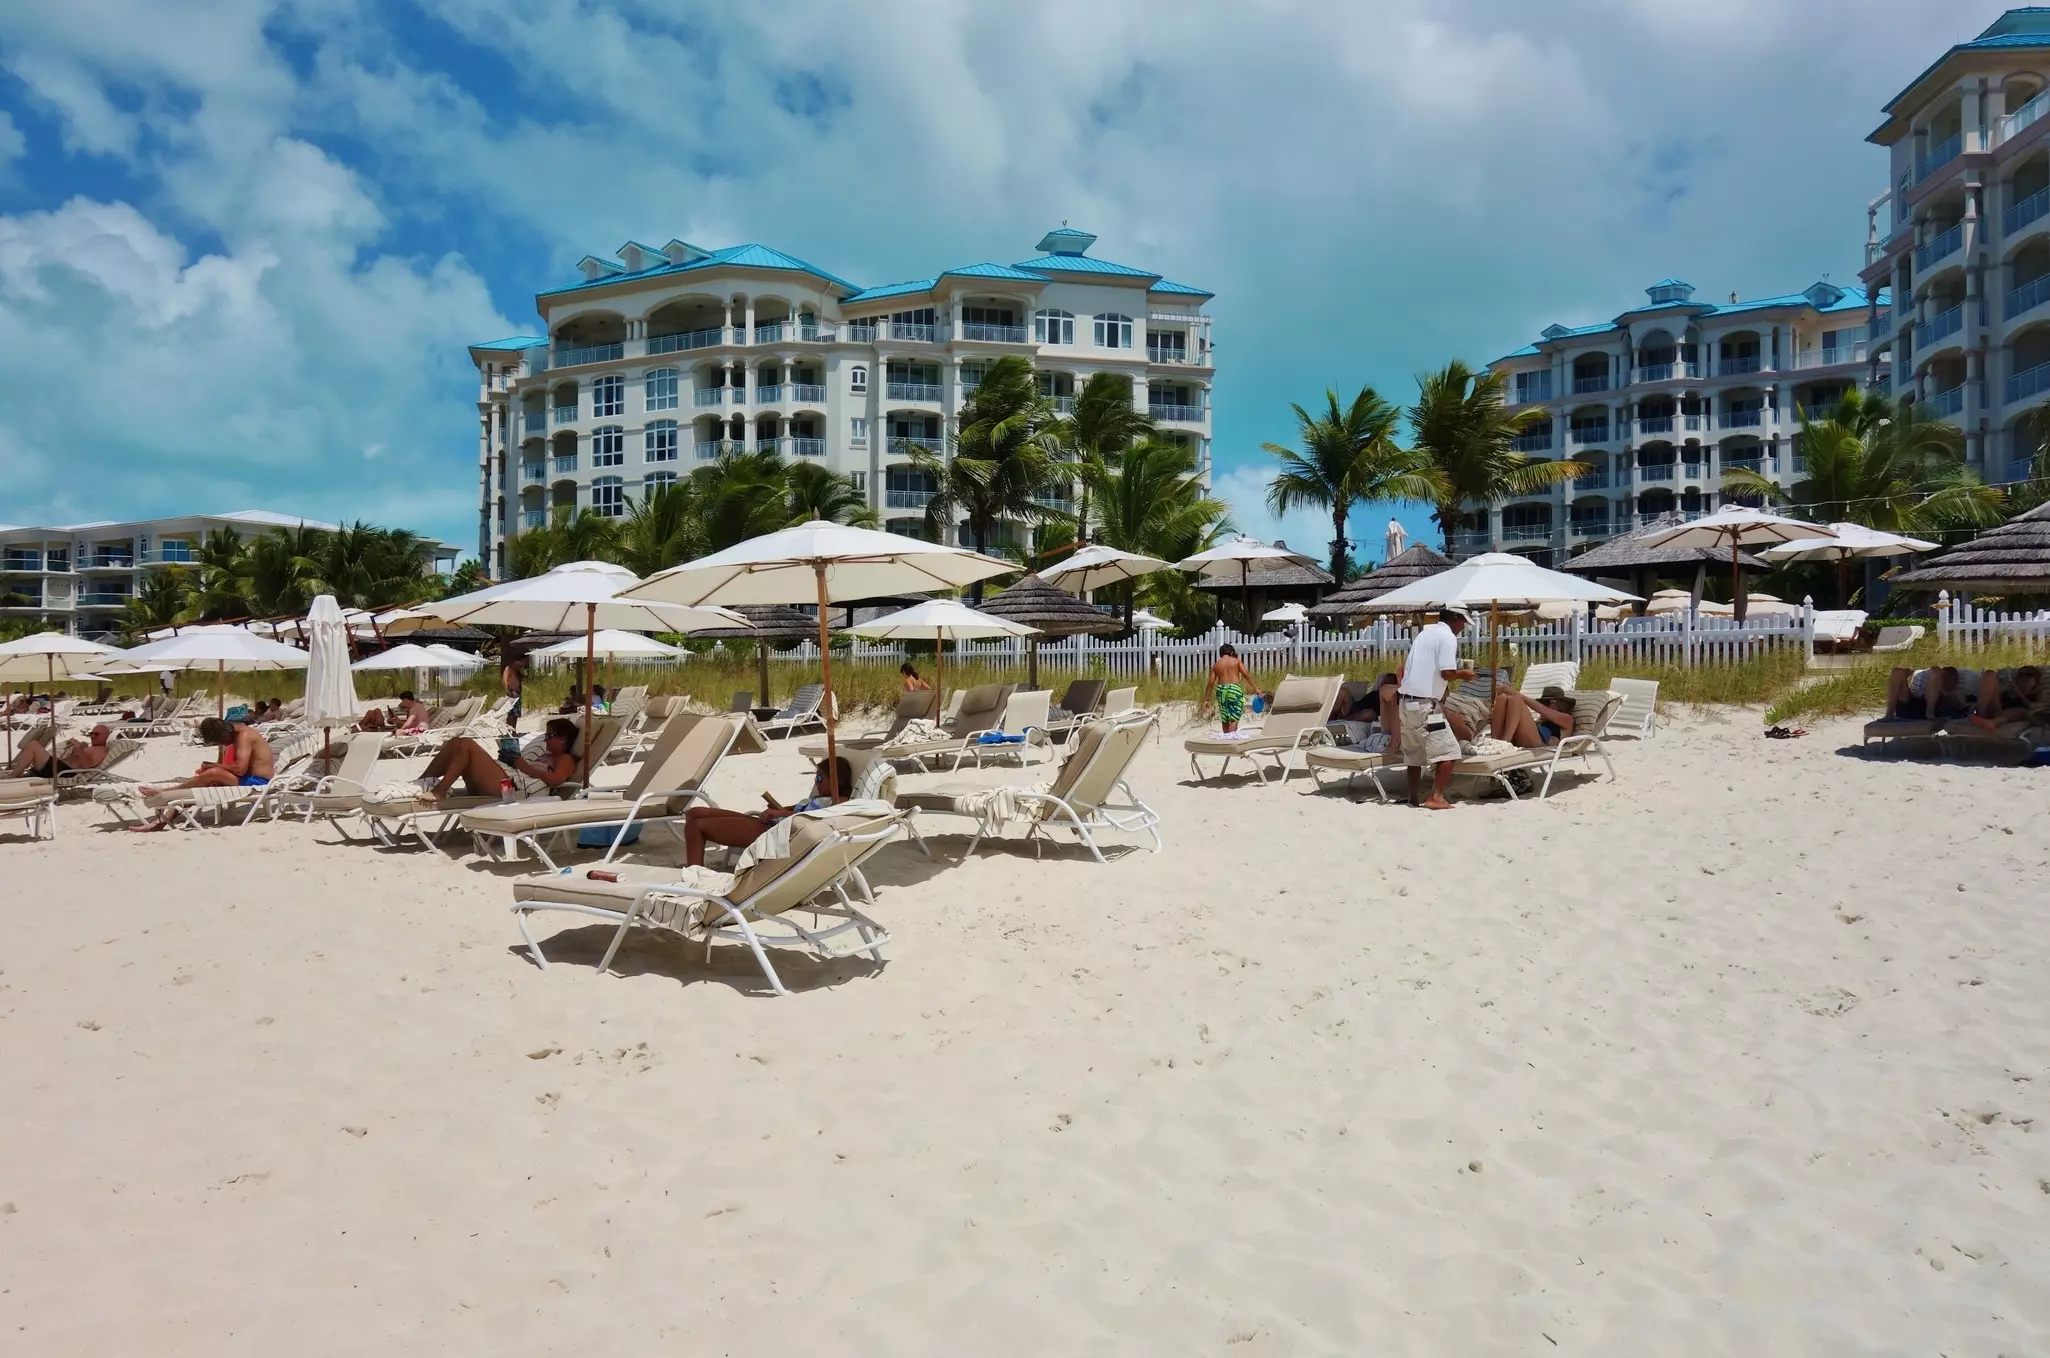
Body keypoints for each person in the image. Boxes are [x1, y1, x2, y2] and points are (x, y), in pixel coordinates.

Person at [680, 757, 851, 868]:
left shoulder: (840, 801)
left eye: (820, 778)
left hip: (775, 835)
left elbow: (815, 821)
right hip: (770, 824)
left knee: (696, 826)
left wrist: (780, 814)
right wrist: (778, 810)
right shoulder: (819, 798)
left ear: (837, 780)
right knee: (694, 813)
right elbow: (796, 810)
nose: (816, 782)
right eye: (815, 778)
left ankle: (694, 875)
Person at [129, 717, 276, 830]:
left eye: (220, 741)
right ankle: (162, 821)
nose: (224, 745)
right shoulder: (235, 733)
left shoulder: (244, 736)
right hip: (247, 778)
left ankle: (165, 791)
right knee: (206, 780)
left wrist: (213, 767)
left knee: (212, 773)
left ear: (224, 735)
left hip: (258, 781)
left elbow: (240, 769)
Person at [1396, 604, 1476, 810]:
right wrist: (1463, 674)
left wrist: (1441, 689)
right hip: (1426, 707)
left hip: (1406, 702)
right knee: (1449, 752)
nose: (1463, 627)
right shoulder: (1448, 637)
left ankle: (1412, 797)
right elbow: (1446, 672)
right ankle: (1435, 797)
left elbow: (1418, 667)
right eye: (1463, 622)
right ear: (1456, 617)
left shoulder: (1425, 634)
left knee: (1413, 755)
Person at [414, 717, 579, 806]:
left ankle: (439, 790)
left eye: (549, 736)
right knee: (455, 743)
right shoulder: (545, 755)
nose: (546, 740)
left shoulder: (565, 759)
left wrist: (527, 768)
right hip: (503, 783)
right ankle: (421, 782)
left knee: (466, 744)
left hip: (514, 792)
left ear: (563, 739)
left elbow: (557, 780)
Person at [7, 723, 112, 779]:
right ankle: (17, 774)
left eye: (96, 734)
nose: (92, 736)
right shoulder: (92, 747)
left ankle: (13, 775)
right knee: (33, 747)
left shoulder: (101, 750)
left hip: (62, 771)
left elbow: (86, 767)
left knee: (34, 745)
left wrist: (79, 749)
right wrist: (77, 748)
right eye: (91, 733)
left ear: (106, 736)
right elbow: (78, 759)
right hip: (59, 767)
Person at [1198, 644, 1262, 734]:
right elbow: (1246, 675)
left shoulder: (1216, 665)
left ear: (1221, 654)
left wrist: (1206, 699)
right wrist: (1256, 689)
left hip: (1221, 691)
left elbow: (1211, 682)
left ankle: (1226, 739)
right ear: (1231, 652)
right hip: (1234, 689)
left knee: (1225, 717)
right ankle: (1230, 740)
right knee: (1234, 718)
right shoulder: (1236, 661)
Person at [1490, 686, 1577, 749]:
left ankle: (1505, 743)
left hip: (1539, 744)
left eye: (1548, 702)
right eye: (1543, 702)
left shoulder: (1568, 720)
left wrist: (1514, 692)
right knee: (1502, 698)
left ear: (1559, 703)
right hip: (1520, 739)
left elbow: (1542, 709)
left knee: (1515, 698)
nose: (1544, 704)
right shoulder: (1542, 720)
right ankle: (1498, 742)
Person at [1885, 666, 1970, 721]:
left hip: (1932, 711)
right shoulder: (1929, 685)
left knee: (1935, 670)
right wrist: (1904, 678)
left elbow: (1960, 703)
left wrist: (1943, 690)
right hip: (1908, 706)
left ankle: (1930, 712)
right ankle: (1889, 714)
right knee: (1897, 672)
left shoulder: (1955, 696)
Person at [502, 655, 526, 726]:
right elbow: (505, 681)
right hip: (512, 692)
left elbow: (521, 679)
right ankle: (509, 730)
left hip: (517, 692)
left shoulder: (518, 669)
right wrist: (508, 691)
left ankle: (513, 729)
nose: (524, 663)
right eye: (523, 661)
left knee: (516, 713)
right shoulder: (508, 668)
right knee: (511, 713)